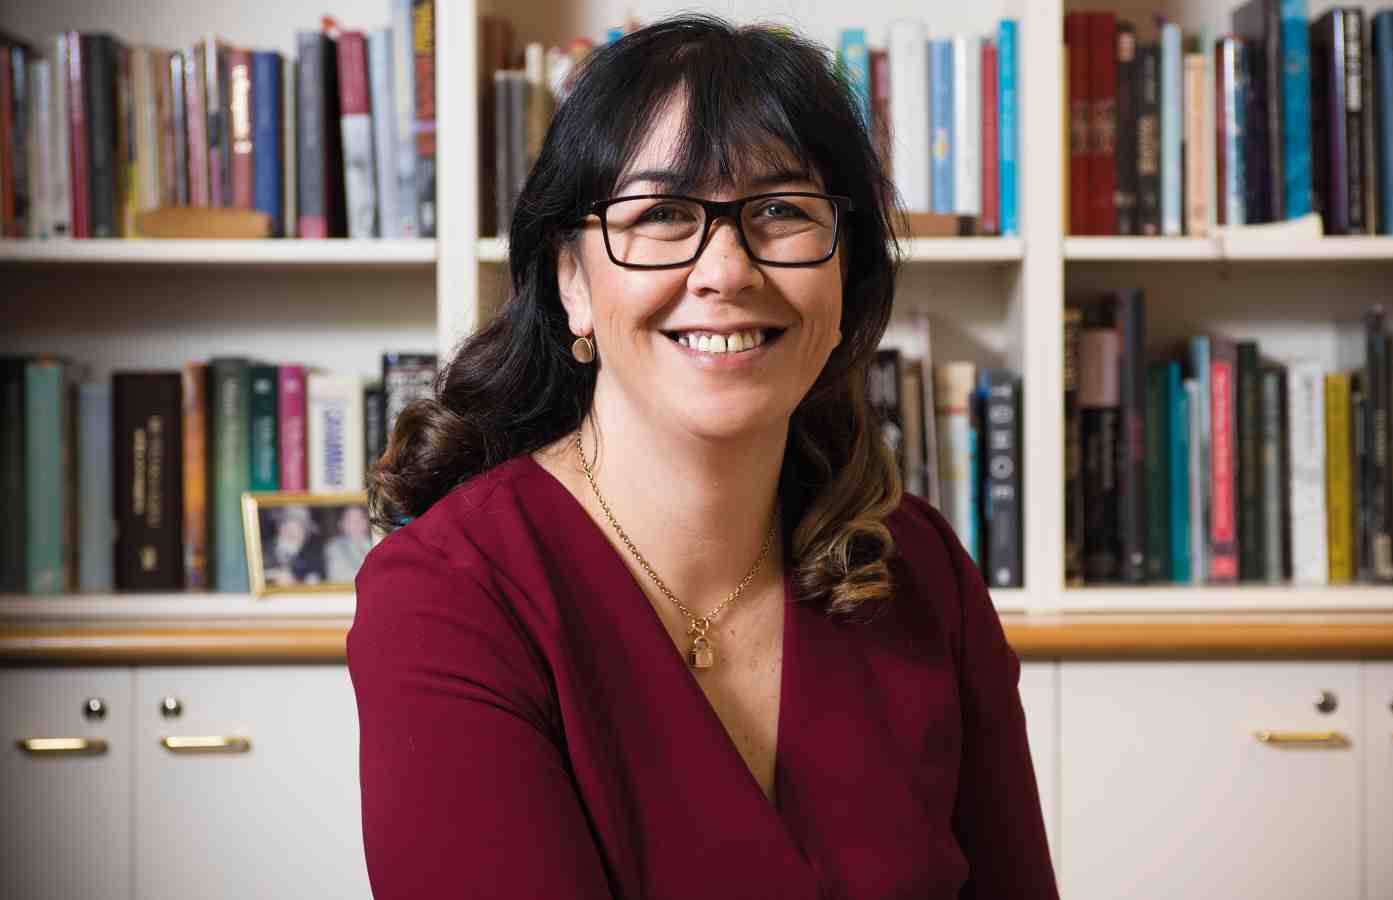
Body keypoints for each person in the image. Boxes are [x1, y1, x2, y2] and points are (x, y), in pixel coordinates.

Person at [346, 15, 1057, 899]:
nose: (726, 271)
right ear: (572, 283)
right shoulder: (452, 594)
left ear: (846, 276)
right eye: (662, 214)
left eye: (783, 211)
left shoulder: (921, 571)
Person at [323, 506, 375, 582]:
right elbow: (337, 577)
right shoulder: (333, 548)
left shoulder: (378, 545)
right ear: (341, 524)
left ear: (367, 522)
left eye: (360, 519)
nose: (356, 524)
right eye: (350, 520)